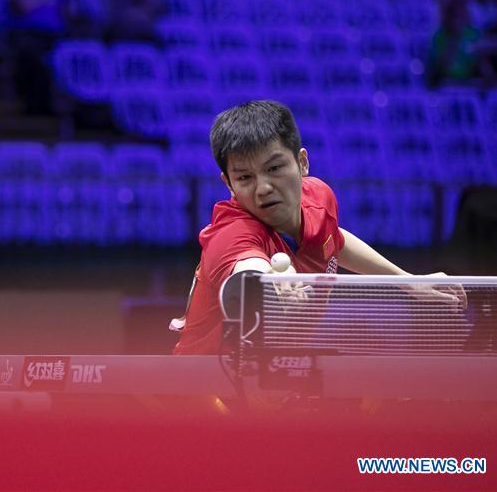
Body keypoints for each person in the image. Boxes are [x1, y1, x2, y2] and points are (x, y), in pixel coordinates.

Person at [173, 100, 421, 355]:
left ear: (302, 162)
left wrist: (408, 281)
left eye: (274, 168)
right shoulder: (230, 233)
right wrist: (272, 283)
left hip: (272, 377)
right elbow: (248, 269)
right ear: (229, 184)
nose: (263, 188)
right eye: (245, 177)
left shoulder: (319, 197)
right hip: (206, 385)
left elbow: (333, 239)